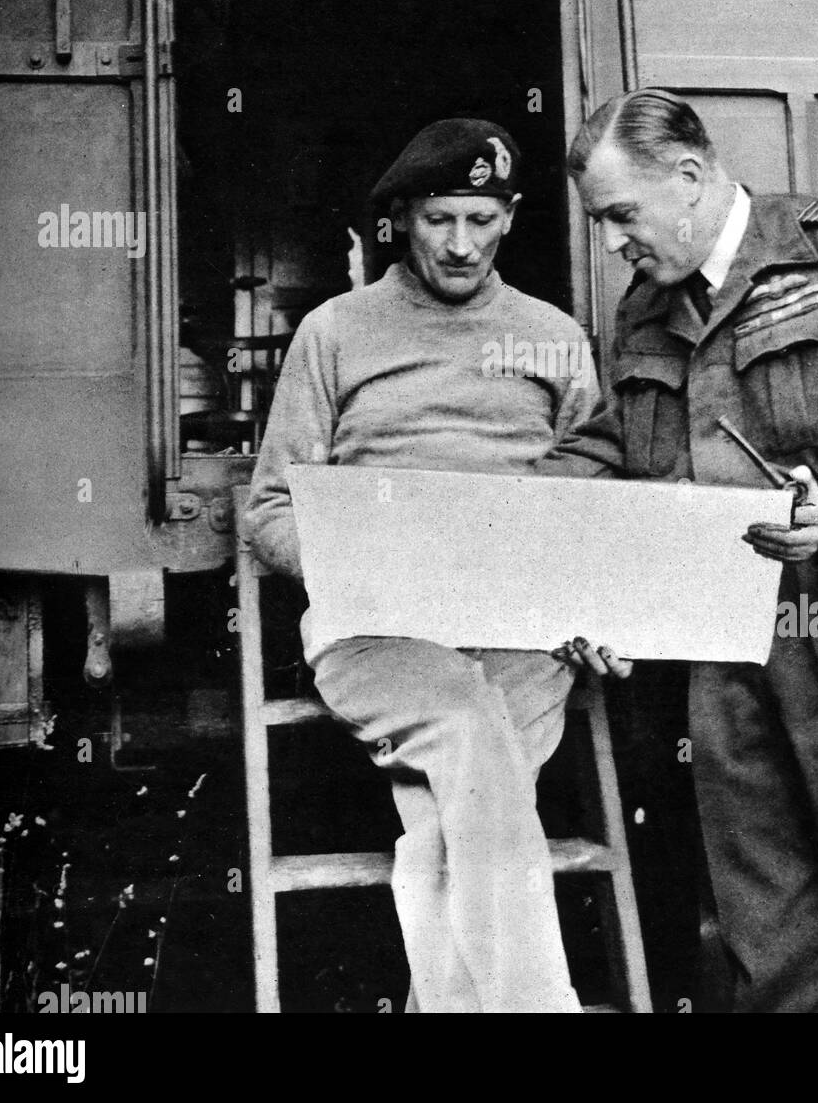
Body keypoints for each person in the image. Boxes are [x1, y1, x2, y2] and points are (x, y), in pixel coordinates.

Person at [543, 88, 818, 1013]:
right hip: (726, 661)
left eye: (622, 215)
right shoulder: (643, 309)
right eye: (602, 222)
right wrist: (524, 513)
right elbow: (617, 446)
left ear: (691, 178)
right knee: (768, 939)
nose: (613, 241)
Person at [245, 118, 610, 1013]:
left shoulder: (552, 337)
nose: (459, 243)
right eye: (440, 218)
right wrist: (363, 563)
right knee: (470, 735)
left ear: (511, 218)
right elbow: (267, 511)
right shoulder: (336, 332)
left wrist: (574, 588)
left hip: (518, 627)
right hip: (377, 630)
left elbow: (597, 488)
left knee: (457, 801)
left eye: (481, 219)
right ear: (401, 218)